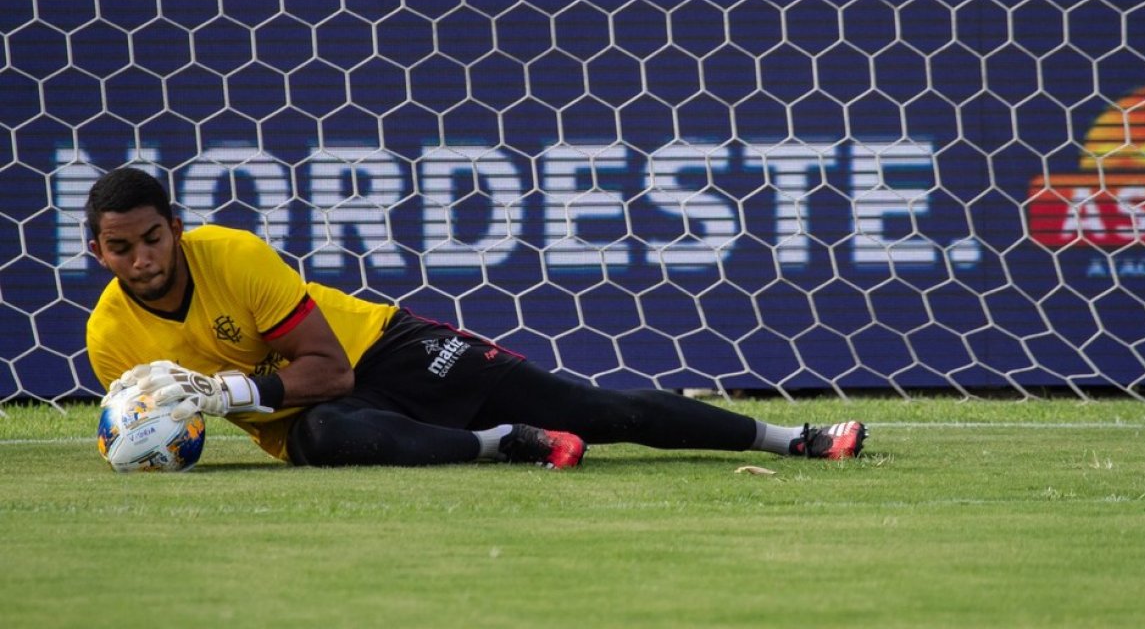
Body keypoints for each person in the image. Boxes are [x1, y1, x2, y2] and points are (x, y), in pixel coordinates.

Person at [85, 167, 867, 470]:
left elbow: (331, 370)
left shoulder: (233, 254)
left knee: (591, 409)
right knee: (326, 440)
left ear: (176, 229)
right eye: (122, 248)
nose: (142, 259)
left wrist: (224, 392)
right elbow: (162, 431)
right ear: (99, 251)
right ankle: (505, 445)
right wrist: (159, 443)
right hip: (305, 420)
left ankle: (789, 439)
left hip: (380, 350)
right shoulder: (109, 337)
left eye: (153, 238)